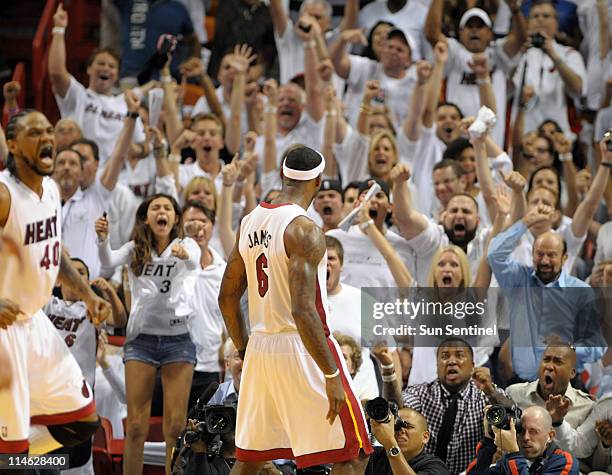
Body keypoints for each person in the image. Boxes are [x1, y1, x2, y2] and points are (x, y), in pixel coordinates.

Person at [218, 145, 372, 473]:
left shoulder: (248, 223)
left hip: (260, 347)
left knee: (251, 457)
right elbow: (303, 310)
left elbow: (227, 298)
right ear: (317, 182)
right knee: (353, 451)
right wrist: (331, 373)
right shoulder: (304, 229)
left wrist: (246, 349)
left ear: (283, 175)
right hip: (301, 346)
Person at [0, 109, 111, 456]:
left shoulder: (49, 190)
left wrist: (87, 294)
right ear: (13, 145)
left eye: (49, 130)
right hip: (4, 330)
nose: (46, 138)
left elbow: (55, 252)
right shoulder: (4, 195)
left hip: (35, 324)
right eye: (35, 133)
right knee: (13, 448)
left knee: (83, 421)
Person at [95, 193, 201, 474]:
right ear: (146, 217)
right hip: (141, 341)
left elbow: (195, 263)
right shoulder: (135, 248)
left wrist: (186, 255)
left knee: (175, 427)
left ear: (175, 218)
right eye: (155, 207)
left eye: (167, 207)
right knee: (137, 426)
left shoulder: (185, 244)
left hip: (178, 340)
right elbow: (108, 260)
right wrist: (103, 239)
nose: (161, 211)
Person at [487, 206, 607, 381]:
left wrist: (568, 348)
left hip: (566, 385)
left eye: (551, 255)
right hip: (522, 384)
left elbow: (597, 346)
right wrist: (526, 222)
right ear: (533, 255)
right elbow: (494, 255)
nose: (544, 260)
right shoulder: (519, 281)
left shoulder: (581, 291)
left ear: (564, 258)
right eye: (539, 254)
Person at [48, 3, 145, 166]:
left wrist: (138, 150)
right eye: (101, 63)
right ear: (89, 69)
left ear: (117, 75)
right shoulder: (77, 96)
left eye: (111, 66)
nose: (106, 68)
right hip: (77, 175)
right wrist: (58, 29)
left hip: (115, 179)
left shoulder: (125, 104)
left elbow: (142, 145)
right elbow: (57, 73)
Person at [401, 338, 508, 475]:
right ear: (437, 365)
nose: (452, 361)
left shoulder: (485, 396)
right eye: (445, 356)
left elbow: (513, 415)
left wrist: (491, 392)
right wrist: (389, 375)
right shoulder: (420, 393)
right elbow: (400, 407)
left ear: (472, 366)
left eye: (459, 355)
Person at [181, 201, 227, 410]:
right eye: (191, 221)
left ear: (212, 225)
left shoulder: (223, 270)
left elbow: (228, 317)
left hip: (211, 364)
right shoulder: (172, 265)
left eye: (203, 221)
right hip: (175, 362)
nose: (198, 227)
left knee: (204, 435)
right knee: (173, 430)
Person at [506, 345, 595, 451]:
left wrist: (558, 423)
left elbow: (584, 452)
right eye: (546, 360)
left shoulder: (586, 407)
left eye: (558, 362)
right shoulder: (514, 394)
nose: (549, 366)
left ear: (572, 373)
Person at [466, 405, 579, 474]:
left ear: (550, 435)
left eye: (533, 432)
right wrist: (488, 442)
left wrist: (513, 453)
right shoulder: (510, 458)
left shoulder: (564, 462)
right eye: (521, 431)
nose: (525, 437)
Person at [368, 407, 451, 475]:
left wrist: (390, 443)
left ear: (425, 437)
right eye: (396, 426)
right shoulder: (376, 455)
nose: (401, 430)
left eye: (408, 426)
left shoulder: (436, 467)